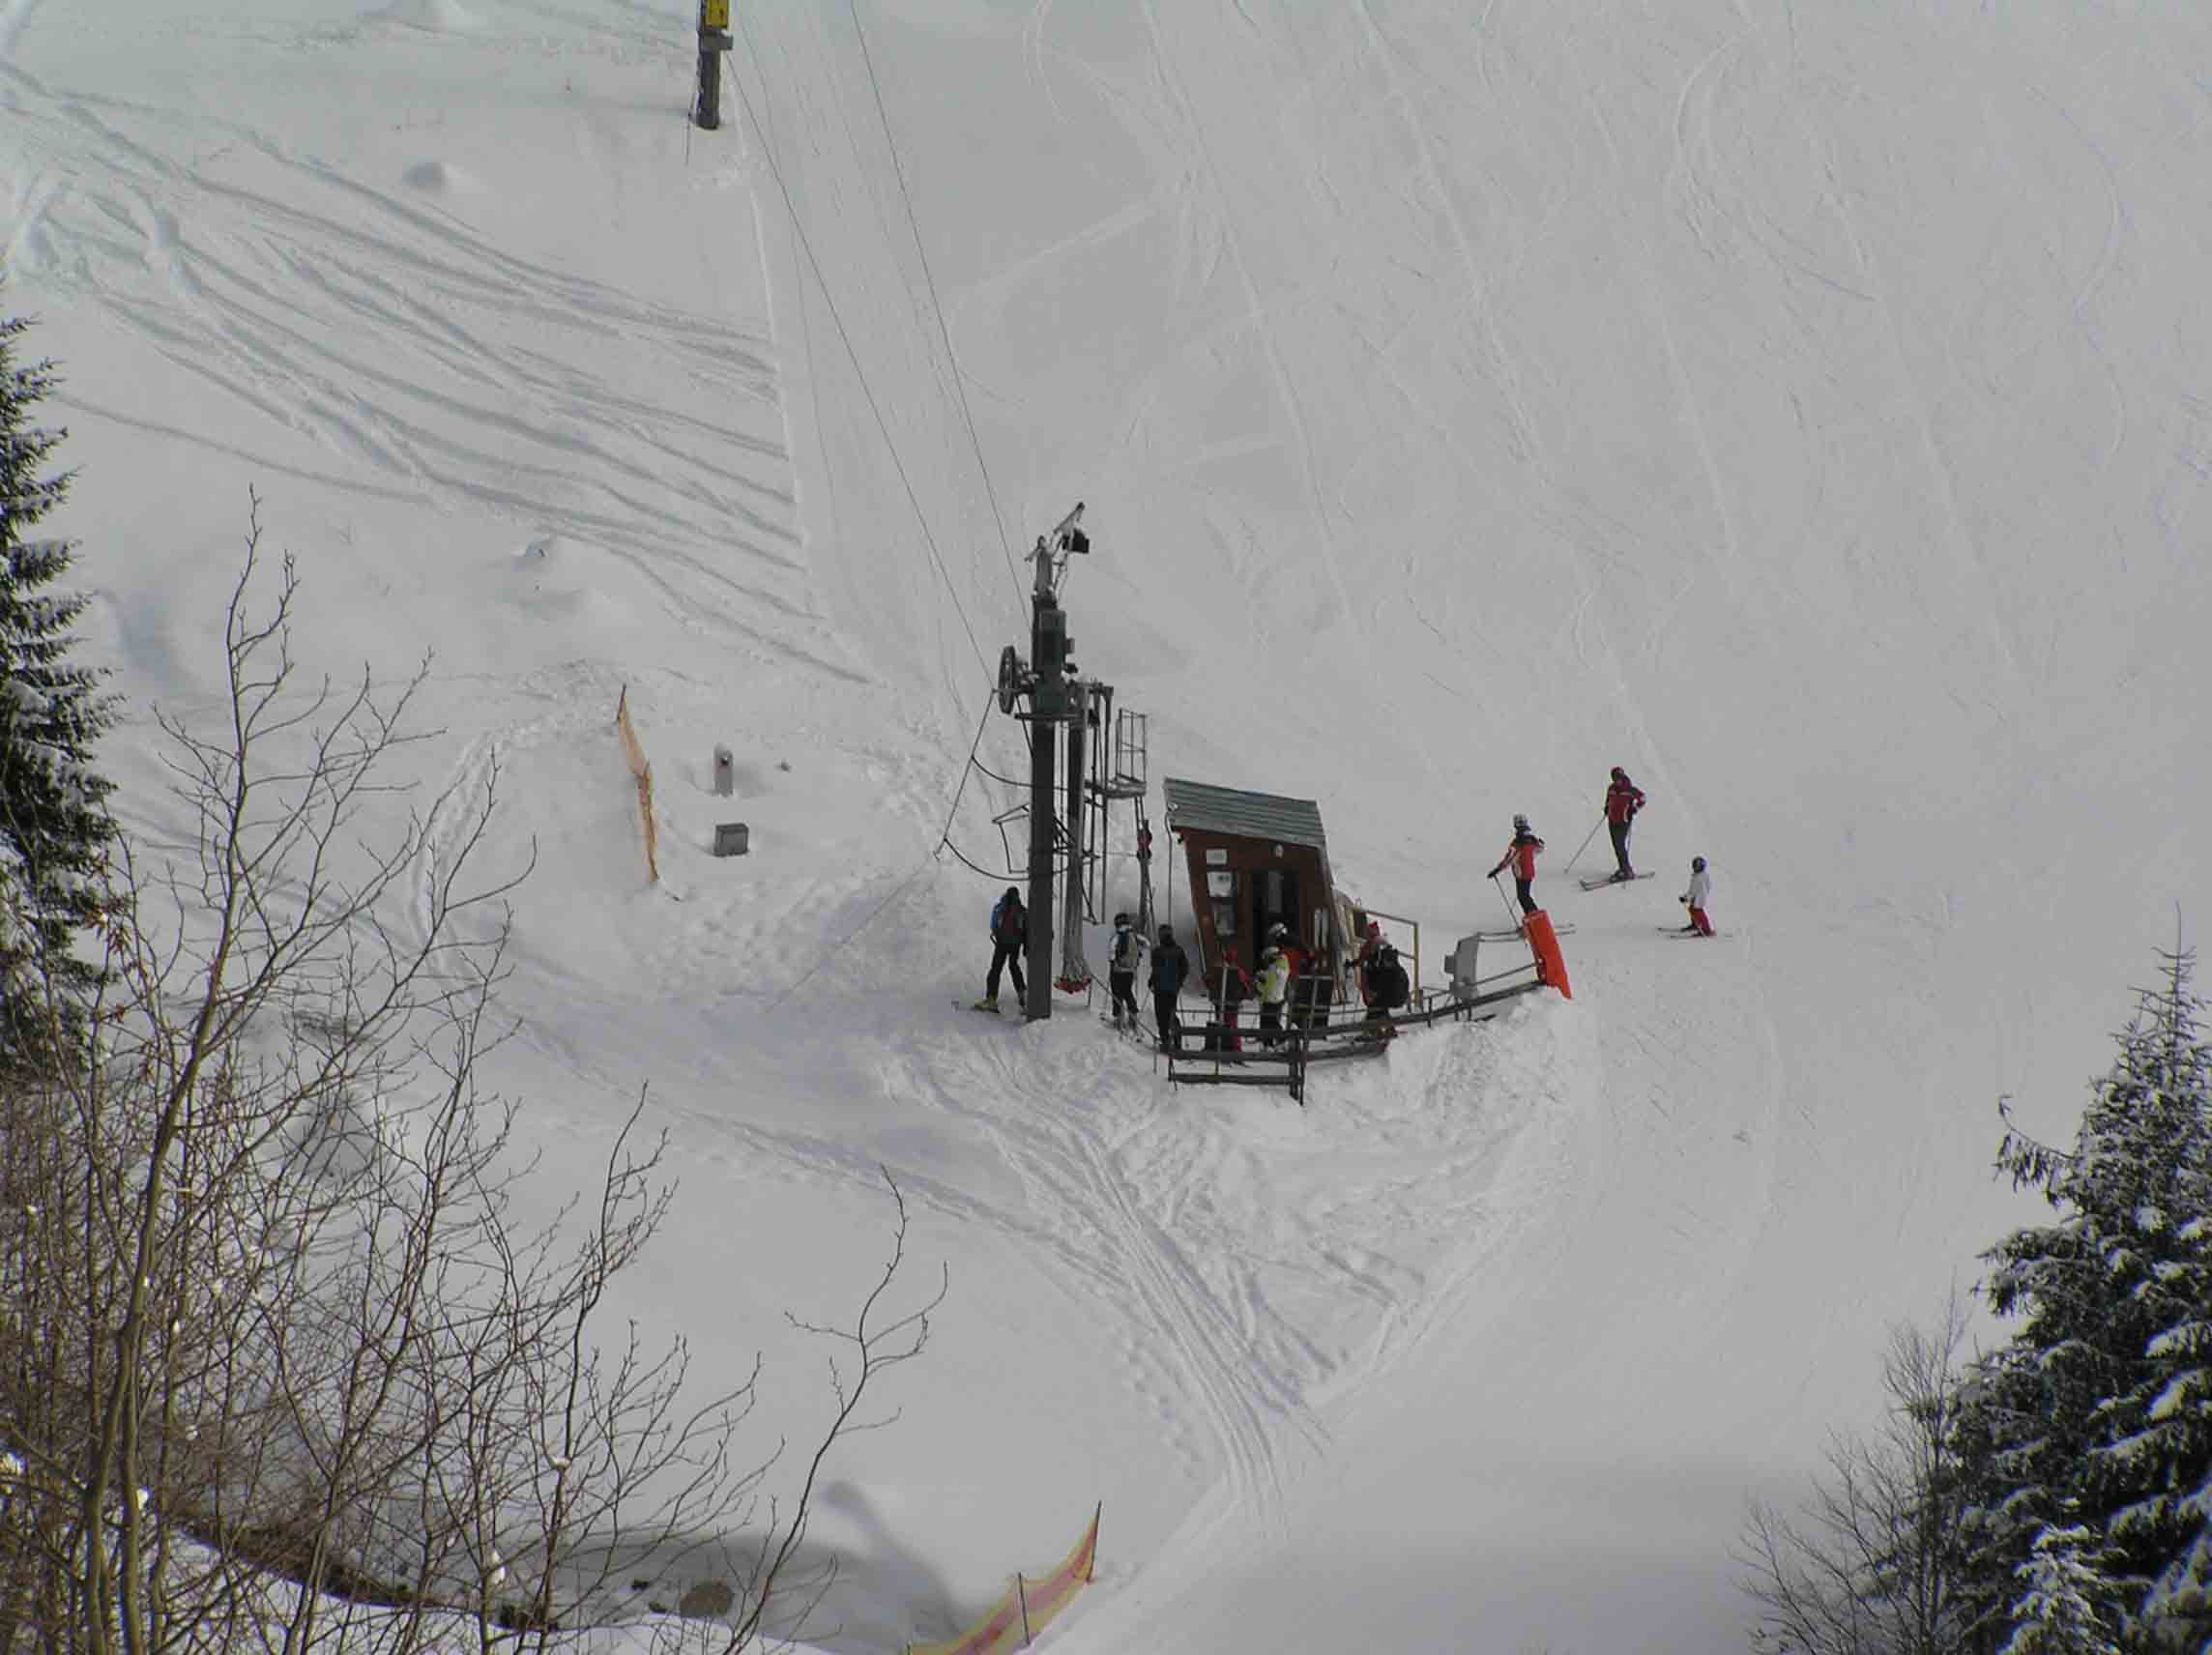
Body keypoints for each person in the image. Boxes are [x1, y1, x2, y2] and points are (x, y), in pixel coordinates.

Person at [1487, 814, 1547, 916]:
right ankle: (1534, 917)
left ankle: (1534, 918)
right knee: (1525, 896)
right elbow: (1539, 848)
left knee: (1523, 897)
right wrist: (1540, 844)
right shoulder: (1532, 839)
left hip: (1521, 873)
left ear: (1515, 825)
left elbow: (1509, 859)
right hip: (1530, 872)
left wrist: (1498, 869)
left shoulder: (1517, 842)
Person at [980, 886, 1027, 1009]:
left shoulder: (1000, 908)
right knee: (1013, 966)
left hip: (1002, 942)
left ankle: (991, 998)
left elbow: (993, 925)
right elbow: (1025, 930)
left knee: (996, 969)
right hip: (1015, 944)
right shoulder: (1022, 910)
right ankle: (1022, 993)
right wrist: (1025, 945)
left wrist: (997, 934)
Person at [1150, 924, 1189, 1050]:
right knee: (1171, 1014)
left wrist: (1151, 981)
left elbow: (1155, 970)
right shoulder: (1178, 950)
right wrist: (1179, 982)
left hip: (1160, 988)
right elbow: (1185, 968)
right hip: (1172, 989)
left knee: (1161, 1015)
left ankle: (1165, 1041)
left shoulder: (1157, 951)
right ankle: (1177, 1040)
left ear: (1161, 935)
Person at [1603, 767, 1646, 881]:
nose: (1617, 780)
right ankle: (1623, 868)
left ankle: (1626, 871)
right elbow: (1608, 800)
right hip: (1612, 820)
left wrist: (1634, 808)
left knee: (1620, 845)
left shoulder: (1629, 789)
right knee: (1616, 846)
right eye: (1615, 778)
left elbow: (1643, 798)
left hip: (1624, 820)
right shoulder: (1611, 788)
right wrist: (1607, 807)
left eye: (1619, 777)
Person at [1107, 912, 1144, 1031]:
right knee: (1127, 992)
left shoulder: (1118, 936)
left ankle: (1119, 1018)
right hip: (1130, 971)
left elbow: (1111, 952)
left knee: (1117, 993)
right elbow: (1145, 945)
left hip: (1117, 970)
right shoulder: (1134, 935)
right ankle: (1133, 1017)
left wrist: (1112, 961)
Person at [1254, 937, 1291, 1047]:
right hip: (1278, 997)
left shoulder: (1274, 969)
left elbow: (1269, 986)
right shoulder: (1282, 966)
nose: (1266, 961)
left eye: (1267, 958)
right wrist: (1263, 977)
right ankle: (1268, 1043)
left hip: (1271, 999)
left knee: (1269, 1021)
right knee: (1268, 1021)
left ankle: (1280, 1040)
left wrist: (1259, 985)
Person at [1679, 856, 1715, 936]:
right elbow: (1696, 889)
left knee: (1699, 913)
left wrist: (1686, 898)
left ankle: (1707, 930)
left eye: (1697, 867)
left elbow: (1694, 891)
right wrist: (1686, 897)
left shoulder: (1699, 878)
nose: (1695, 868)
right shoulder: (1701, 875)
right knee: (1692, 909)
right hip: (1697, 898)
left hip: (1698, 899)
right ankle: (1695, 924)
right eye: (1694, 866)